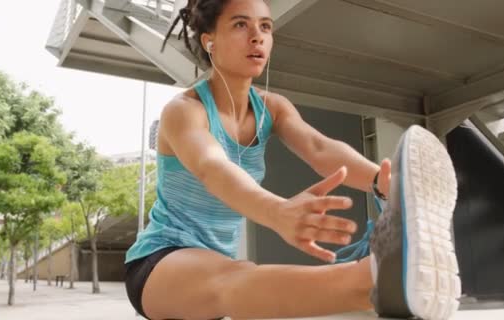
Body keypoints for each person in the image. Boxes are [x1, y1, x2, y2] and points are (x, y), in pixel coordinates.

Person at [124, 1, 460, 319]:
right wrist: (276, 211)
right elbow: (212, 168)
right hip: (159, 261)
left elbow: (319, 147)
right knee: (237, 276)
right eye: (241, 24)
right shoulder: (184, 111)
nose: (257, 36)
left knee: (236, 275)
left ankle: (382, 282)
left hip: (212, 264)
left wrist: (383, 181)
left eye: (266, 27)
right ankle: (373, 280)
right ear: (210, 42)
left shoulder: (272, 108)